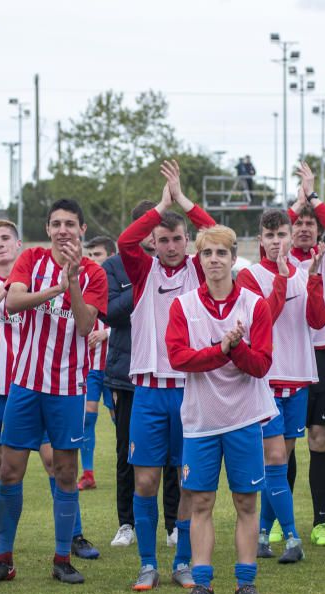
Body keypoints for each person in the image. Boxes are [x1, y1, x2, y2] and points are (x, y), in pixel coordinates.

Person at [0, 199, 107, 587]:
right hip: (25, 385)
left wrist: (72, 283)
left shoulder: (94, 274)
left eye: (71, 223)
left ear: (82, 230)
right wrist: (55, 286)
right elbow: (14, 302)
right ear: (48, 229)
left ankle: (62, 558)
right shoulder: (32, 259)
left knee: (66, 472)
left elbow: (86, 327)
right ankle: (4, 558)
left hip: (67, 388)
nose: (63, 229)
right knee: (10, 470)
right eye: (56, 223)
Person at [119, 160, 216, 591]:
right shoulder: (143, 271)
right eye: (164, 239)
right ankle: (146, 562)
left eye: (178, 238)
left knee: (187, 479)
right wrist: (160, 207)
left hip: (190, 390)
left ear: (187, 242)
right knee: (145, 477)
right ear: (154, 243)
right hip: (148, 392)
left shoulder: (200, 270)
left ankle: (181, 561)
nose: (172, 246)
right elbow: (125, 240)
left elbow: (214, 233)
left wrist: (183, 202)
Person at [166, 224, 275, 594]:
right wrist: (222, 348)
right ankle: (202, 582)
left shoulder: (254, 305)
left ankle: (245, 582)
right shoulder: (183, 306)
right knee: (201, 504)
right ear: (199, 259)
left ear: (233, 258)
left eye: (221, 253)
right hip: (200, 422)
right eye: (208, 253)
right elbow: (179, 359)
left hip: (244, 418)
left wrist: (236, 349)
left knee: (247, 503)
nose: (214, 260)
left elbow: (261, 365)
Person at [235, 208, 325, 564]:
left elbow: (318, 320)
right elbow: (263, 320)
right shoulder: (251, 276)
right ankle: (291, 537)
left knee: (281, 459)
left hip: (300, 377)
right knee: (273, 459)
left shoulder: (306, 272)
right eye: (270, 236)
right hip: (266, 379)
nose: (276, 242)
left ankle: (261, 534)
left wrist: (313, 278)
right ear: (261, 240)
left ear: (291, 237)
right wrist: (282, 279)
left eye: (281, 235)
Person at [102, 204, 181, 549]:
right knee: (129, 456)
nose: (158, 239)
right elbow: (110, 312)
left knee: (175, 461)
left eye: (166, 233)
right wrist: (142, 288)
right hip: (129, 374)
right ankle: (126, 524)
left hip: (177, 379)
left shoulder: (184, 267)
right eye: (151, 229)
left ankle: (174, 524)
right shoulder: (121, 265)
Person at [287, 161, 325, 547]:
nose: (305, 227)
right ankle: (280, 520)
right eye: (299, 223)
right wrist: (296, 203)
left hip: (323, 355)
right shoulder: (278, 258)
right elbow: (269, 230)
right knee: (284, 441)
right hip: (288, 359)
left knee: (319, 440)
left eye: (311, 223)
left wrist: (312, 195)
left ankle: (320, 522)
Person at [79, 235, 117, 491]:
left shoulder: (119, 284)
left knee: (120, 420)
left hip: (115, 367)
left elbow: (135, 319)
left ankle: (134, 466)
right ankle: (88, 473)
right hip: (91, 367)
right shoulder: (83, 283)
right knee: (87, 418)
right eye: (90, 255)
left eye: (98, 255)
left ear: (111, 256)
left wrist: (107, 333)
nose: (93, 260)